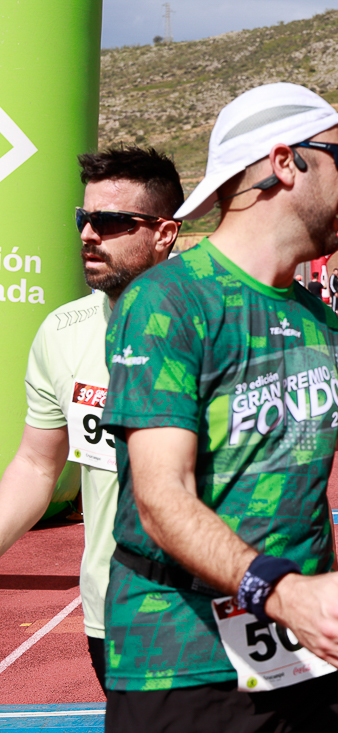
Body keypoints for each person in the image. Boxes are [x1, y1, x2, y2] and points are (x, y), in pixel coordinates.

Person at [98, 82, 338, 730]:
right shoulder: (169, 301)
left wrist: (310, 607)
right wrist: (282, 592)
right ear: (285, 162)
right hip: (185, 661)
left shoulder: (320, 319)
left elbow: (297, 490)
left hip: (306, 653)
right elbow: (160, 498)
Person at [0, 146, 182, 693]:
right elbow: (36, 466)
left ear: (164, 233)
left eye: (109, 221)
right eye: (85, 217)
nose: (87, 234)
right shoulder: (61, 333)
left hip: (216, 614)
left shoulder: (223, 326)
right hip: (113, 613)